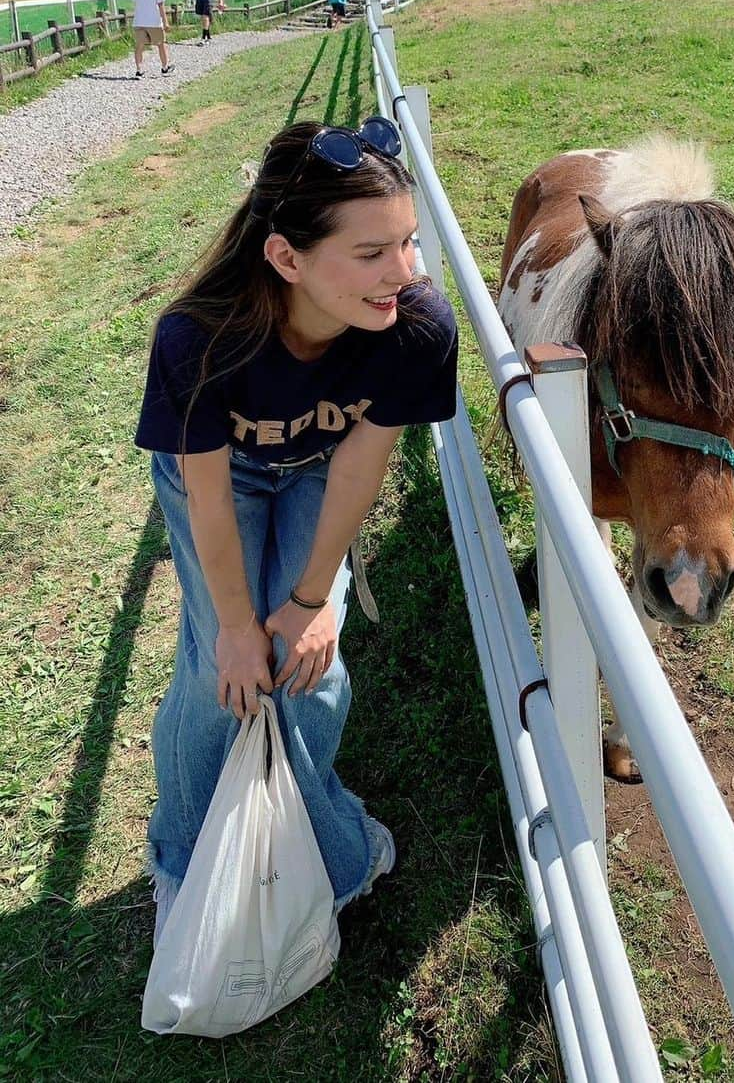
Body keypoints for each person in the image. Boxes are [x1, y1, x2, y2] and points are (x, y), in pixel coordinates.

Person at [135, 116, 458, 949]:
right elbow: (208, 502)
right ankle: (181, 863)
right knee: (224, 668)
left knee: (308, 664)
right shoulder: (197, 338)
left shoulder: (416, 327)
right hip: (220, 476)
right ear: (286, 257)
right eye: (372, 253)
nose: (405, 273)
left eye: (409, 242)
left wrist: (312, 599)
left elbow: (359, 465)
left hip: (322, 465)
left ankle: (328, 855)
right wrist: (238, 627)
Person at [131, 0, 173, 79]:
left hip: (139, 20)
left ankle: (139, 70)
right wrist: (165, 22)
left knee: (139, 45)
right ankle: (165, 67)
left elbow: (134, 0)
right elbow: (160, 5)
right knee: (161, 44)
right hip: (153, 21)